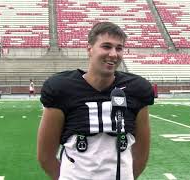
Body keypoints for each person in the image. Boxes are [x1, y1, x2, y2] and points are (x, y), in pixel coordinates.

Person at [37, 22, 154, 180]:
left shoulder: (136, 89)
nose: (113, 54)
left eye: (119, 48)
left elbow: (141, 155)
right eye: (106, 46)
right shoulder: (62, 88)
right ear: (89, 48)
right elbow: (46, 156)